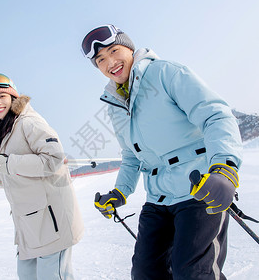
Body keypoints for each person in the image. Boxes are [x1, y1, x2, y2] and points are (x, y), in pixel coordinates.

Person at [81, 25, 243, 279]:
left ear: (130, 48)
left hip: (199, 189)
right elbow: (132, 155)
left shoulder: (165, 73)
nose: (110, 62)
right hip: (158, 198)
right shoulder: (114, 101)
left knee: (192, 273)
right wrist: (120, 191)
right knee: (146, 273)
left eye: (115, 51)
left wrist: (225, 168)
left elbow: (216, 116)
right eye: (100, 59)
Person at [0, 73, 84, 280]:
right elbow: (14, 179)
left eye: (2, 96)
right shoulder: (6, 130)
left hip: (52, 222)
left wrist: (5, 162)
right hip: (30, 225)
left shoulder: (28, 122)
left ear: (13, 97)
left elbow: (54, 159)